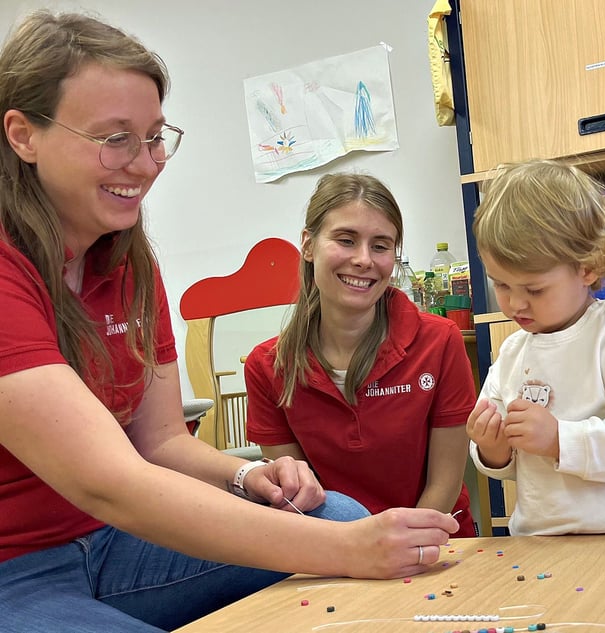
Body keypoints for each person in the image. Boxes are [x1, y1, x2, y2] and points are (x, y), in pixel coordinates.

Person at [0, 11, 457, 632]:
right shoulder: (10, 267)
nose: (144, 163)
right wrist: (348, 551)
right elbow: (110, 482)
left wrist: (247, 474)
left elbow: (159, 442)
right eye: (115, 138)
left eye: (156, 136)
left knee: (341, 515)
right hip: (19, 569)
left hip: (109, 545)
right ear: (23, 135)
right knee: (343, 537)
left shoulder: (128, 261)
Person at [244, 173, 478, 538]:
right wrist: (357, 551)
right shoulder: (267, 366)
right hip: (335, 549)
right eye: (346, 240)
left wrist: (401, 548)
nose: (363, 260)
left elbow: (444, 486)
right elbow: (296, 497)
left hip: (434, 544)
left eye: (381, 246)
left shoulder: (440, 341)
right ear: (308, 245)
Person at [467, 159, 605, 536]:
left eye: (533, 289)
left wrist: (559, 440)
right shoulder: (513, 353)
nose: (516, 304)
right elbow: (511, 464)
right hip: (539, 542)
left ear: (587, 268)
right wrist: (493, 449)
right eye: (501, 285)